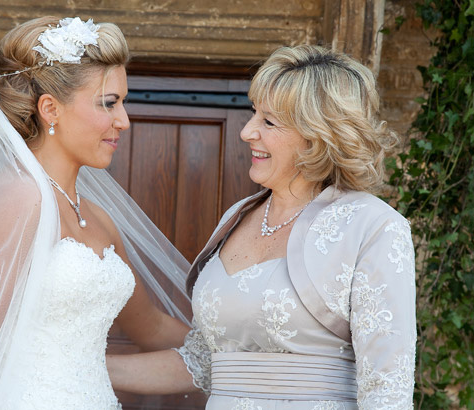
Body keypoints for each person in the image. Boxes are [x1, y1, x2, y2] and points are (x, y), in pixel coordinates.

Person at [0, 16, 191, 410]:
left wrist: (244, 344)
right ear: (50, 109)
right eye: (109, 103)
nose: (124, 120)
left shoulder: (99, 219)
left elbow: (152, 327)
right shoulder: (17, 198)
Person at [108, 45, 416, 409]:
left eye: (268, 122)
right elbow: (201, 364)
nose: (247, 132)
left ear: (318, 135)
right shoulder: (236, 217)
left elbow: (387, 390)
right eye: (253, 114)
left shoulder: (374, 227)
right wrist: (78, 367)